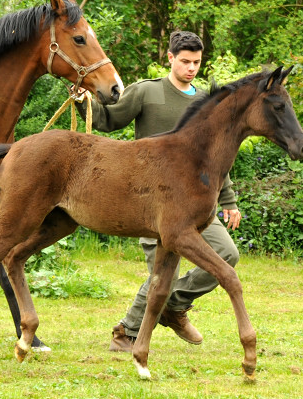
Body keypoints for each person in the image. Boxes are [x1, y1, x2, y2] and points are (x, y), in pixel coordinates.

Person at [75, 31, 242, 352]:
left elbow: (216, 157)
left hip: (197, 203)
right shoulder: (147, 92)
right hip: (151, 202)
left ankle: (173, 306)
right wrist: (86, 102)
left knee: (227, 255)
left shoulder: (205, 101)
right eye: (184, 62)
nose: (191, 68)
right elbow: (108, 121)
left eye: (196, 62)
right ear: (170, 58)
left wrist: (228, 200)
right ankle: (127, 333)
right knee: (164, 272)